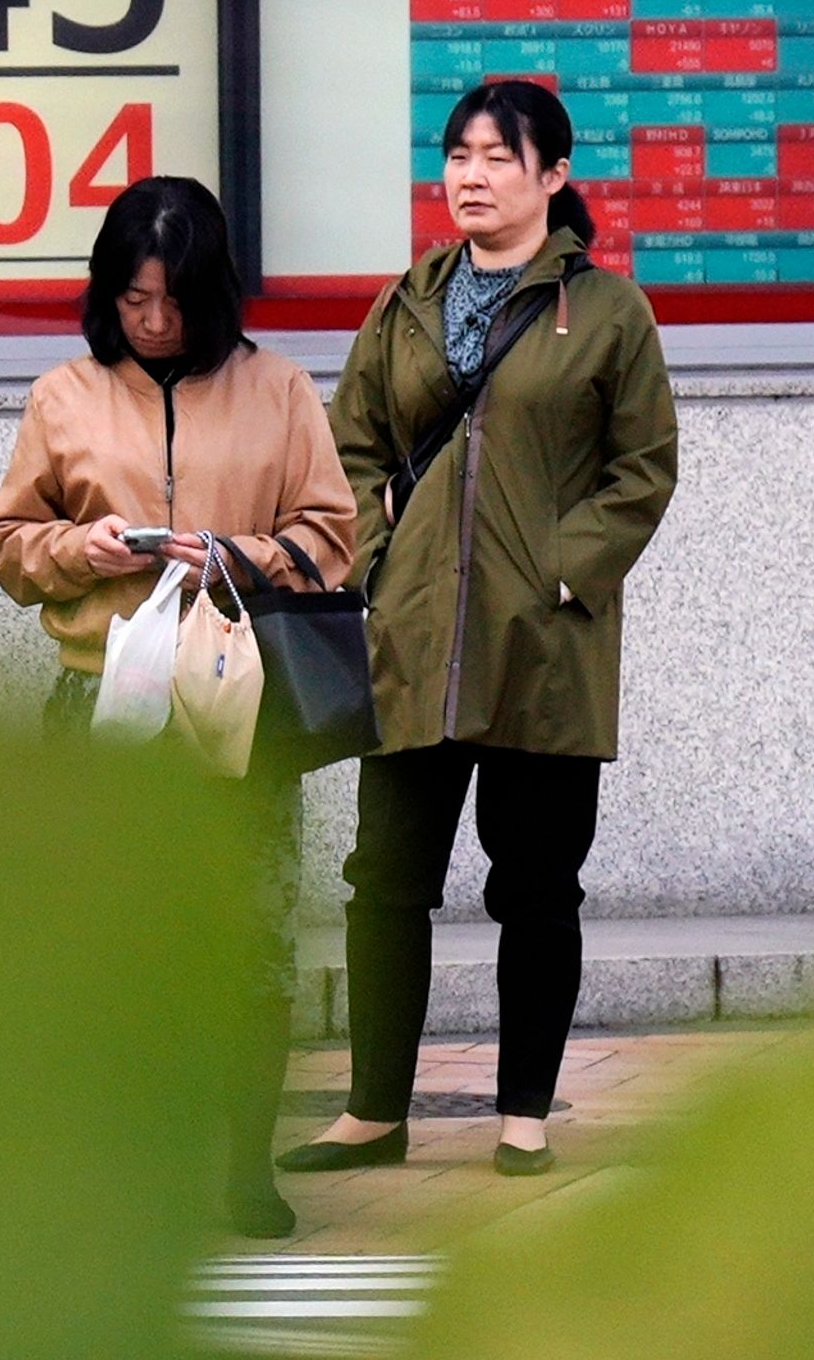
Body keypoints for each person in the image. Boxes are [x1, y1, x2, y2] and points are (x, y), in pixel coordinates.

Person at [282, 78, 678, 1181]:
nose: (471, 174)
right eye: (459, 153)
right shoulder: (405, 302)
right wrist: (374, 562)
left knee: (539, 887)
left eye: (500, 156)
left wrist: (560, 574)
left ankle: (524, 1114)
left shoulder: (605, 313)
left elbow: (643, 472)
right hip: (411, 641)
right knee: (386, 878)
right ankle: (373, 1111)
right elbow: (347, 447)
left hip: (543, 649)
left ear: (555, 175)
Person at [0, 175, 354, 1239]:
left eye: (174, 302)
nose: (153, 322)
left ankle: (244, 1169)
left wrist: (232, 556)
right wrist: (76, 548)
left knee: (250, 944)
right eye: (135, 300)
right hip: (103, 704)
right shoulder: (65, 393)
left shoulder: (278, 390)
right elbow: (7, 544)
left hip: (240, 711)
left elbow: (333, 534)